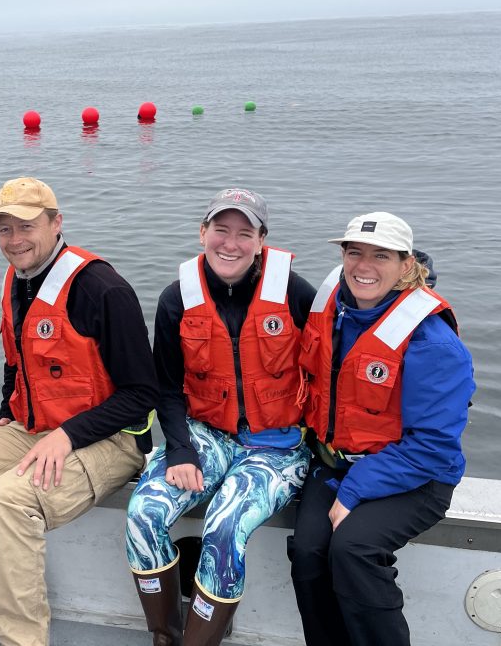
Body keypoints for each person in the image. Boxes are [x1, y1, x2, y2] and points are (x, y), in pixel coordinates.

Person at [0, 176, 159, 646]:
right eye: (4, 229)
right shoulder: (17, 279)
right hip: (33, 426)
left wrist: (67, 436)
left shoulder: (102, 289)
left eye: (26, 226)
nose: (14, 239)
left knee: (7, 499)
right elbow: (17, 358)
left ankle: (21, 638)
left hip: (110, 439)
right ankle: (0, 605)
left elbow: (142, 392)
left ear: (56, 222)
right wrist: (8, 411)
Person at [125, 188, 315, 646]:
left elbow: (331, 373)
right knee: (141, 515)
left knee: (225, 526)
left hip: (278, 445)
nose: (230, 244)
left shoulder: (294, 292)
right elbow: (166, 389)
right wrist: (180, 450)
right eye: (220, 230)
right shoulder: (177, 298)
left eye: (244, 233)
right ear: (203, 232)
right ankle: (165, 635)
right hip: (205, 434)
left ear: (261, 241)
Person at [289, 212, 475, 646]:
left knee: (354, 550)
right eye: (354, 252)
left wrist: (355, 491)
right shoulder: (333, 308)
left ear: (407, 265)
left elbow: (432, 447)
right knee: (307, 553)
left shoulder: (433, 342)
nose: (364, 266)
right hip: (334, 462)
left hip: (417, 476)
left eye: (381, 255)